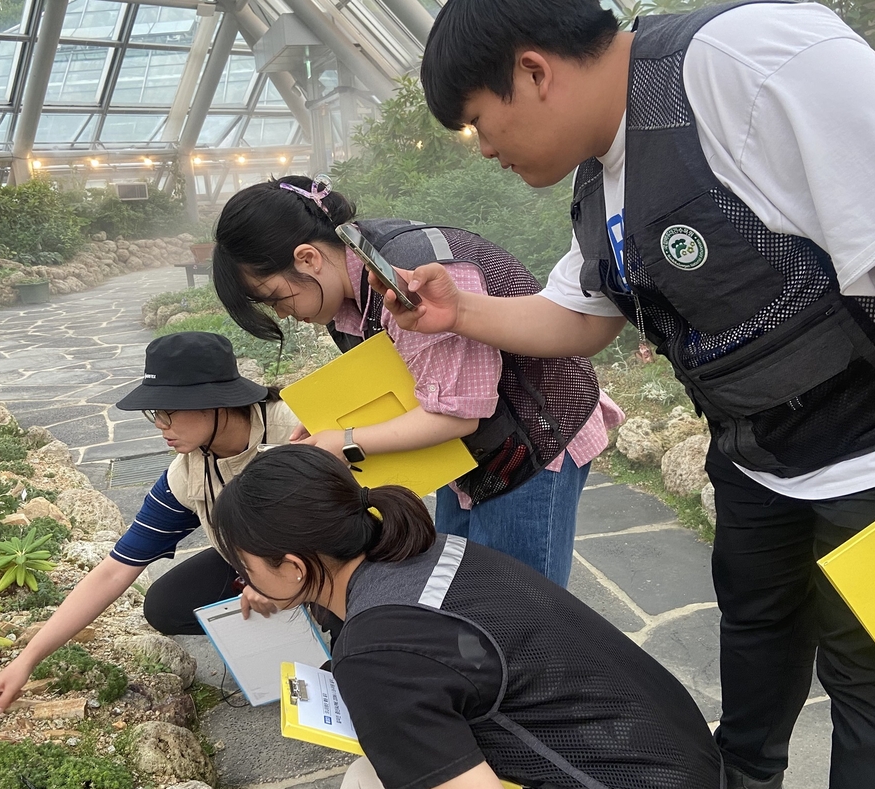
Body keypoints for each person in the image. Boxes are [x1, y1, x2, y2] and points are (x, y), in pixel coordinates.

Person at [395, 1, 875, 789]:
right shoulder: (605, 172)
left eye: (480, 126)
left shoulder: (743, 61)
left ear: (533, 71)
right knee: (757, 625)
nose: (485, 149)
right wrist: (463, 312)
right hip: (766, 455)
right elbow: (579, 313)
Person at [209, 443, 728, 789]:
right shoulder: (427, 551)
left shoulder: (376, 654)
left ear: (294, 566)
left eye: (244, 565)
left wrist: (397, 744)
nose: (243, 578)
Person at [211, 175, 624, 587]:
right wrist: (331, 424)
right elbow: (402, 374)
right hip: (470, 452)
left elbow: (456, 417)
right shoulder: (350, 280)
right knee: (462, 590)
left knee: (521, 606)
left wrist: (346, 440)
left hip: (535, 435)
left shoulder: (405, 280)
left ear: (307, 258)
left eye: (274, 298)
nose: (281, 314)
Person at [0, 331, 302, 716]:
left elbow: (360, 515)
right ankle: (282, 627)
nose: (160, 425)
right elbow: (113, 571)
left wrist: (281, 579)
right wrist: (25, 661)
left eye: (168, 410)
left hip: (329, 554)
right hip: (256, 557)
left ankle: (325, 626)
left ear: (212, 402)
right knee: (166, 605)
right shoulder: (187, 475)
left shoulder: (299, 427)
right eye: (154, 412)